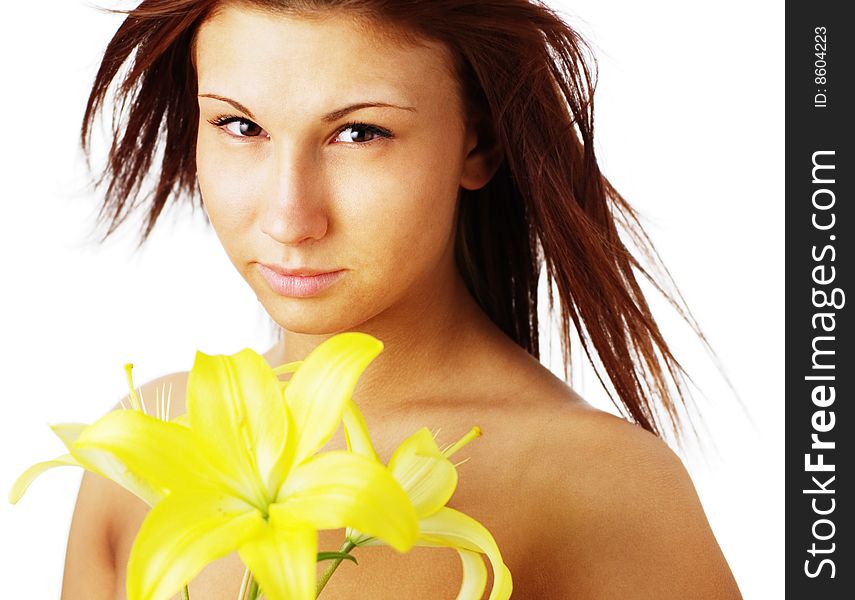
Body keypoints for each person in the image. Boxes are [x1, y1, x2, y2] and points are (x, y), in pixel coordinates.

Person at [61, 0, 744, 598]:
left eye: (360, 134)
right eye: (241, 127)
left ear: (477, 142)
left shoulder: (597, 485)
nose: (289, 217)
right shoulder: (143, 447)